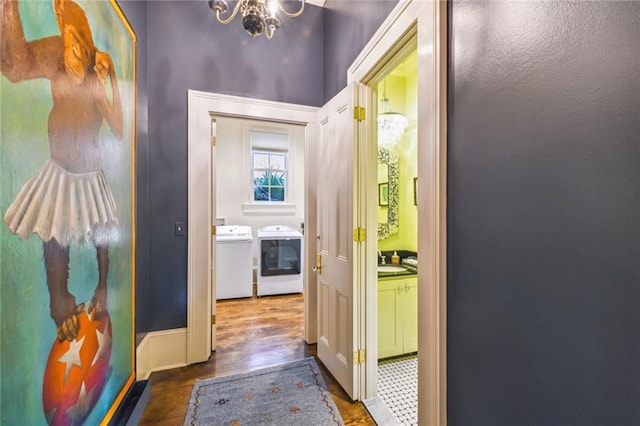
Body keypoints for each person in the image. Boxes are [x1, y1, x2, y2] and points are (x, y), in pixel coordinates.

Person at [1, 0, 123, 341]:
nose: (70, 54)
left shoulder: (93, 74)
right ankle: (60, 301)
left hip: (91, 172)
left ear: (85, 48)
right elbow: (14, 66)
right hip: (61, 168)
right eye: (67, 44)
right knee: (56, 230)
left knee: (101, 229)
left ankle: (100, 284)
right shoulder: (57, 53)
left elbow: (118, 128)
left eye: (76, 46)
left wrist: (112, 74)